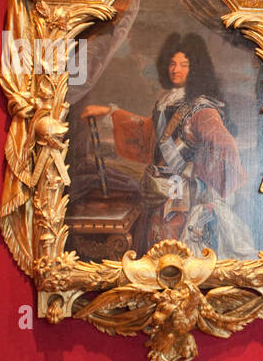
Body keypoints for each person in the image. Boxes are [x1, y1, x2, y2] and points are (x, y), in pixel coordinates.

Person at [80, 32, 253, 257]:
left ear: (195, 68)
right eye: (172, 64)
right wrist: (108, 112)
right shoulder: (166, 102)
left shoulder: (202, 108)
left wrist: (199, 172)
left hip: (184, 198)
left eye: (183, 64)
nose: (175, 69)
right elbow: (146, 132)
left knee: (176, 252)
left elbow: (225, 145)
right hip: (158, 191)